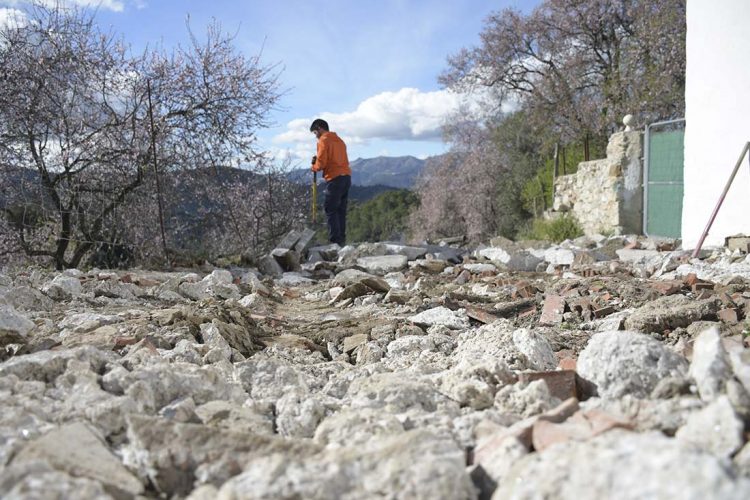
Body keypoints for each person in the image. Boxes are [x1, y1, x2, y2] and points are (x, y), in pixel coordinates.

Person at [310, 118, 351, 246]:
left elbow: (321, 163)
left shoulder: (324, 140)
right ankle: (341, 241)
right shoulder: (339, 140)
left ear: (320, 128)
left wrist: (314, 166)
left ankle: (334, 243)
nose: (316, 136)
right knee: (340, 211)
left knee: (330, 209)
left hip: (334, 178)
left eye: (315, 132)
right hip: (346, 177)